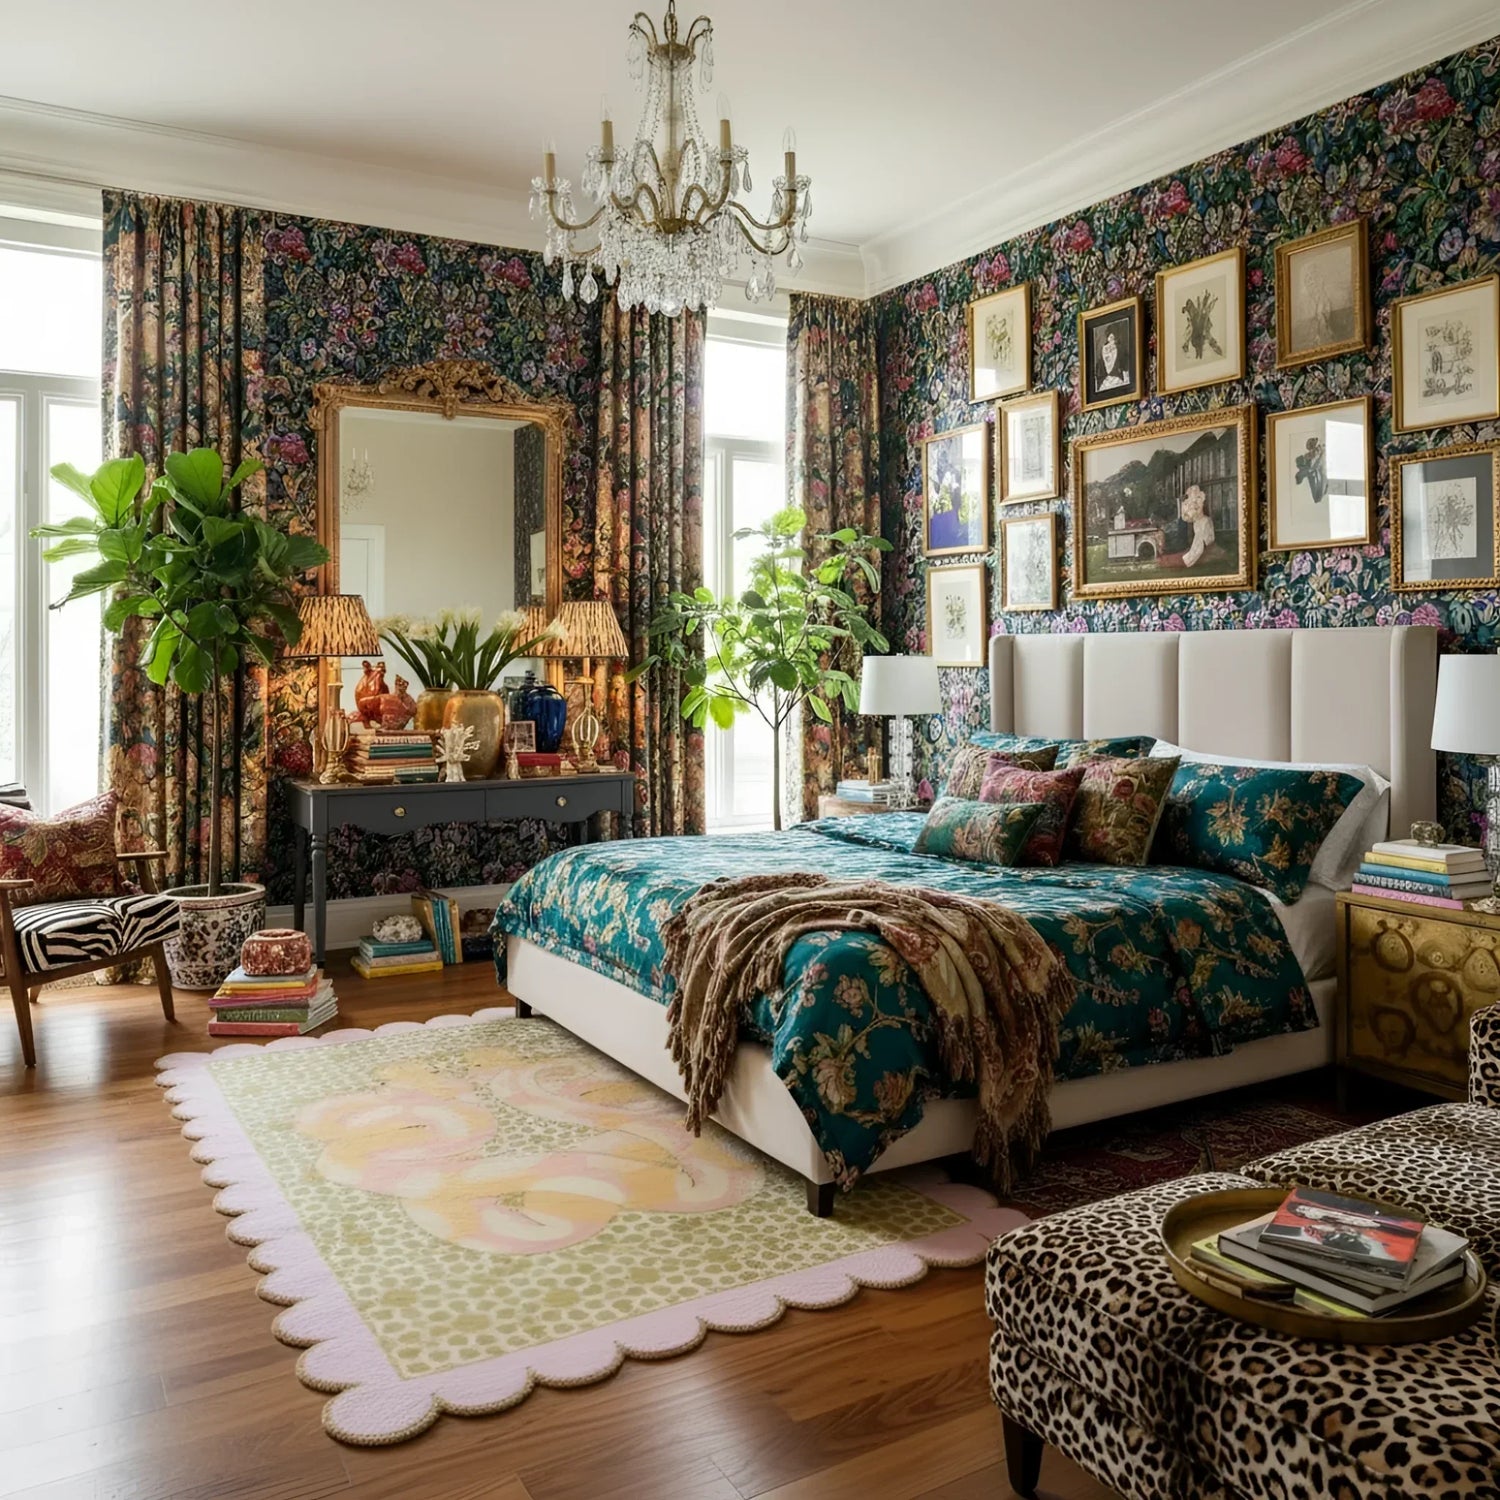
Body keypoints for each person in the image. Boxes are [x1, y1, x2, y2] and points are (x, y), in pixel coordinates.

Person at [1180, 485, 1215, 568]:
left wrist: (1187, 559)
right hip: (1201, 548)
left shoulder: (1205, 521)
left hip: (1205, 549)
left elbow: (1202, 545)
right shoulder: (1196, 522)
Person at [1094, 327, 1131, 393]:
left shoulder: (1127, 378)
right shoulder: (1096, 383)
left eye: (1112, 349)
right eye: (1106, 349)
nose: (1108, 355)